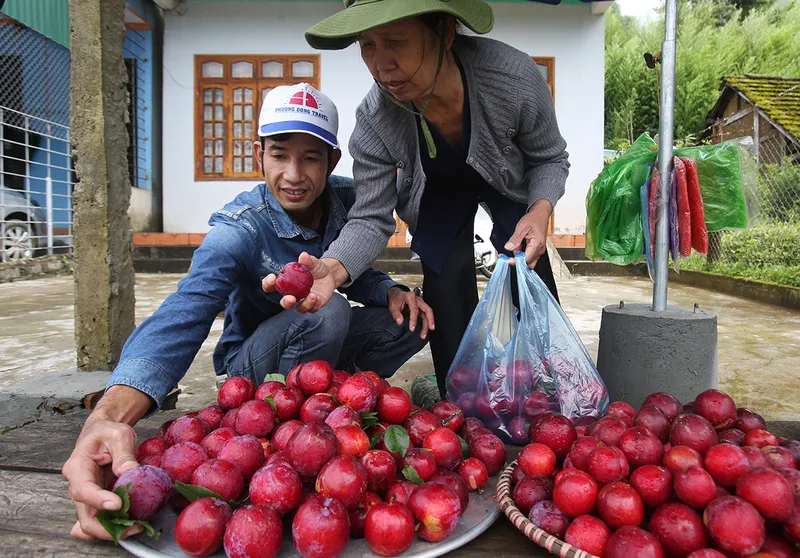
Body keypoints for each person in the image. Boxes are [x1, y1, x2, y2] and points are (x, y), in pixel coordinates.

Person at [62, 83, 431, 542]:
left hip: (312, 354)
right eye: (279, 155)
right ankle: (290, 433)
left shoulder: (347, 200)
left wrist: (391, 289)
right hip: (250, 371)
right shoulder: (239, 229)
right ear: (259, 155)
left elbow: (353, 266)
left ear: (332, 161)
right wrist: (108, 418)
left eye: (311, 158)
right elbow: (185, 310)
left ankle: (335, 404)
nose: (294, 174)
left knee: (411, 322)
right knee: (327, 312)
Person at [270, 0, 570, 398]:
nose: (381, 64)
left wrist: (540, 210)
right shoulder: (376, 119)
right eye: (368, 45)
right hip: (439, 194)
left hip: (509, 185)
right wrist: (333, 267)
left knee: (526, 271)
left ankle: (547, 393)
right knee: (446, 290)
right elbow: (370, 218)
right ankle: (461, 404)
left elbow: (549, 158)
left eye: (395, 41)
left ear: (445, 33)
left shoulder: (512, 78)